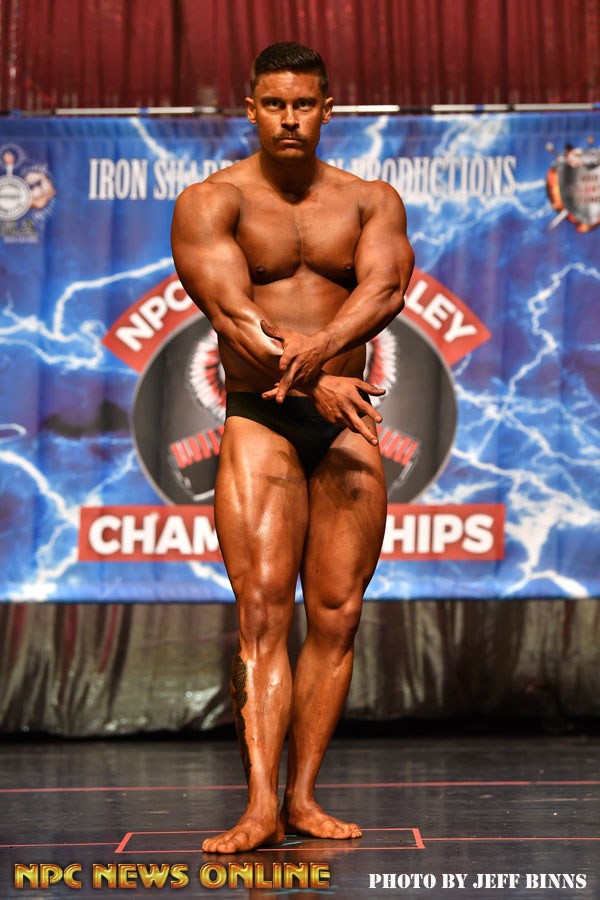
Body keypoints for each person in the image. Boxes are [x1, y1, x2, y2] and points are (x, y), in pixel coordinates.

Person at [171, 41, 414, 854]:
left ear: (326, 109)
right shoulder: (212, 202)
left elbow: (385, 289)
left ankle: (302, 797)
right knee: (263, 614)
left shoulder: (370, 201)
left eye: (303, 104)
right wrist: (314, 382)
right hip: (262, 420)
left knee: (338, 616)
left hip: (344, 420)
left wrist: (320, 361)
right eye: (273, 104)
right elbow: (232, 315)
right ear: (250, 108)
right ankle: (257, 806)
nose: (288, 119)